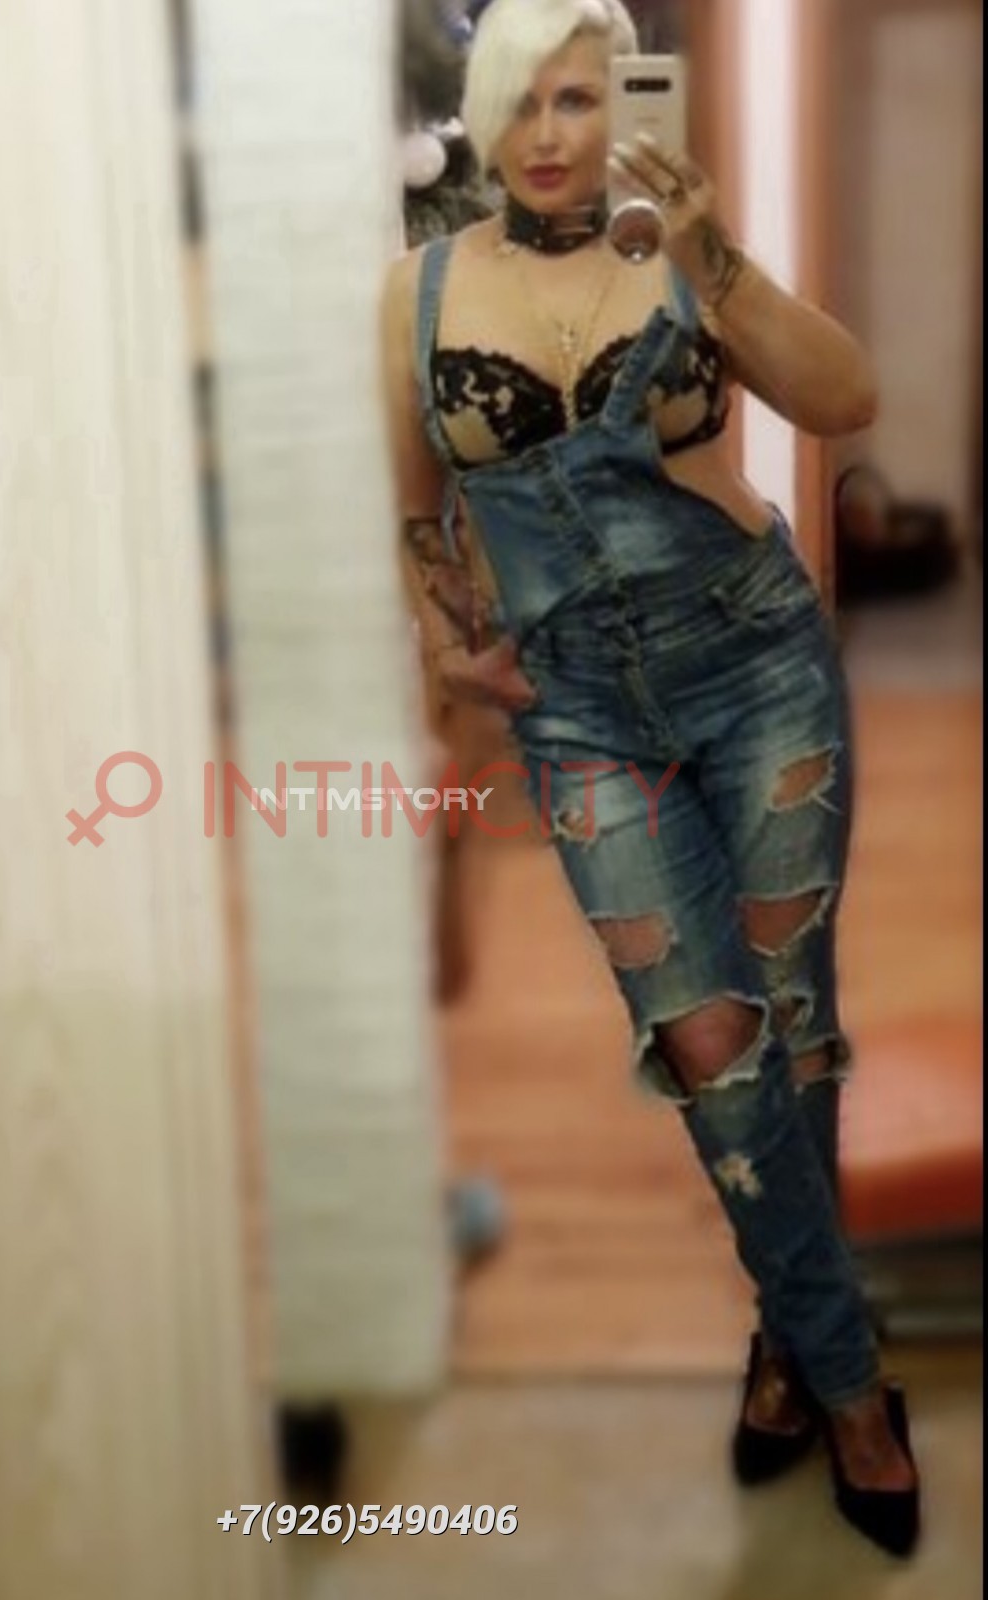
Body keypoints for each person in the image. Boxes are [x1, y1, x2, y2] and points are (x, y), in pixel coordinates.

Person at [380, 0, 921, 1558]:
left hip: (757, 666)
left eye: (580, 98)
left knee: (791, 1026)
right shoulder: (418, 291)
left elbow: (847, 401)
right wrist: (447, 640)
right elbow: (418, 505)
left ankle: (799, 1365)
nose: (551, 133)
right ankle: (850, 1376)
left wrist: (716, 259)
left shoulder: (676, 251)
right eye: (523, 102)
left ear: (619, 106)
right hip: (577, 716)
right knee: (710, 1044)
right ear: (484, 118)